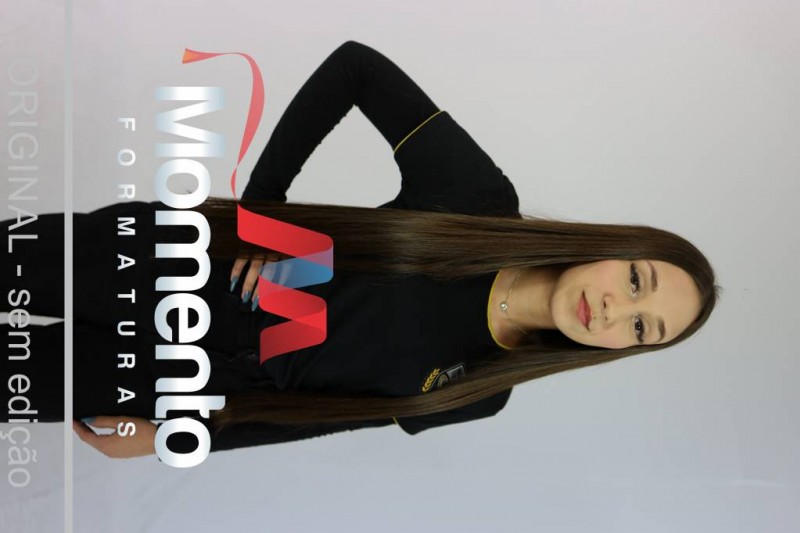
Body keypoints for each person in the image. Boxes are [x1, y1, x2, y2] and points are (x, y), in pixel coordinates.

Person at [2, 41, 718, 459]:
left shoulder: (482, 391)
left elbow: (321, 414)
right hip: (178, 264)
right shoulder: (479, 199)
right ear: (614, 248)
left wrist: (176, 435)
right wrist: (265, 208)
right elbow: (357, 69)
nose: (616, 310)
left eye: (642, 327)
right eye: (636, 280)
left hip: (188, 381)